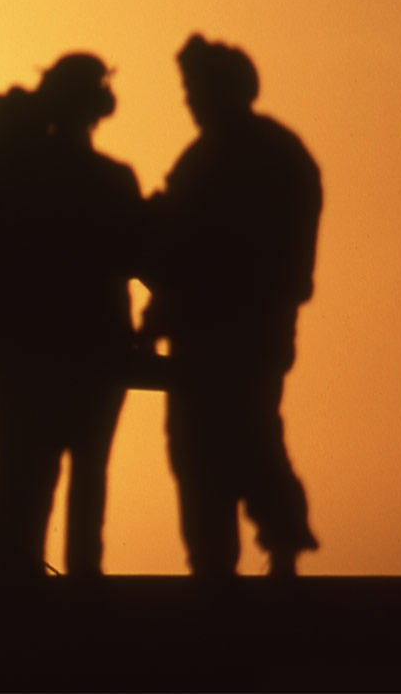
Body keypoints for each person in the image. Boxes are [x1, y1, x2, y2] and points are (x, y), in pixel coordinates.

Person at [143, 34, 322, 578]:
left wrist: (156, 320)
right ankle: (245, 559)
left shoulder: (216, 163)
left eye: (195, 89)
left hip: (227, 334)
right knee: (238, 441)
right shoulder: (276, 156)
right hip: (244, 332)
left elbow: (182, 250)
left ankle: (233, 564)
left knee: (224, 445)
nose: (189, 101)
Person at [0, 55, 144, 579]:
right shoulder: (112, 182)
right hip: (94, 360)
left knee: (15, 496)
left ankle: (11, 602)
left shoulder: (2, 180)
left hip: (18, 363)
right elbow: (142, 254)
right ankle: (80, 594)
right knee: (87, 488)